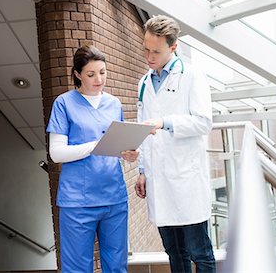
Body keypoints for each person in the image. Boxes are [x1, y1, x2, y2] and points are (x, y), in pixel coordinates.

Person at [135, 15, 216, 273]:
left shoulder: (191, 75)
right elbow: (143, 131)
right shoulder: (144, 83)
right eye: (146, 48)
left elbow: (203, 122)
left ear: (173, 47)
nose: (149, 56)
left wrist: (165, 122)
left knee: (200, 253)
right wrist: (142, 171)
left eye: (155, 51)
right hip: (159, 180)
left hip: (186, 179)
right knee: (174, 252)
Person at [46, 45, 138, 272]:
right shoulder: (64, 103)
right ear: (77, 74)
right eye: (91, 74)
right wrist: (93, 146)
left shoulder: (114, 104)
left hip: (113, 198)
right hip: (78, 201)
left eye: (103, 72)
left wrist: (129, 153)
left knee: (117, 266)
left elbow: (115, 147)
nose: (99, 79)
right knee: (77, 268)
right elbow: (56, 153)